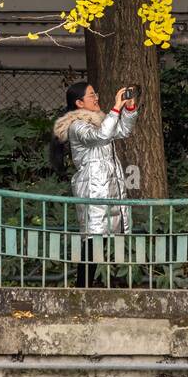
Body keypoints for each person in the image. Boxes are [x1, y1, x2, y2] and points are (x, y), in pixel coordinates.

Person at [49, 80, 139, 287]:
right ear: (79, 103)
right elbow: (102, 135)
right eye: (91, 95)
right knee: (92, 240)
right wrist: (116, 107)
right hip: (93, 188)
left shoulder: (98, 120)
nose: (96, 97)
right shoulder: (77, 126)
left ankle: (90, 285)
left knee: (103, 239)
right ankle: (82, 287)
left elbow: (122, 131)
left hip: (109, 186)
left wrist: (129, 108)